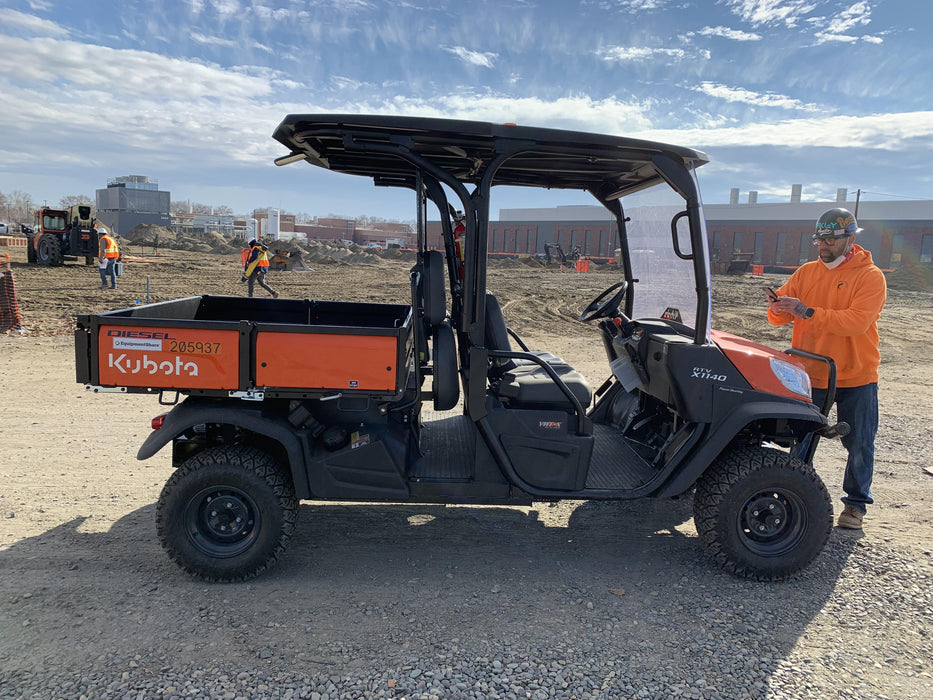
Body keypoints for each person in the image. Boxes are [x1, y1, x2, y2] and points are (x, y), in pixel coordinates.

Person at [767, 207, 886, 530]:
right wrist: (778, 307)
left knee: (859, 442)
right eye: (820, 239)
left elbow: (856, 322)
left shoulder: (870, 276)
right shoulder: (806, 273)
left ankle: (856, 505)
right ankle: (791, 495)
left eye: (831, 240)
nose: (824, 246)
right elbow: (778, 318)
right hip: (809, 373)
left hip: (856, 374)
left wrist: (806, 311)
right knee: (800, 439)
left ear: (850, 239)